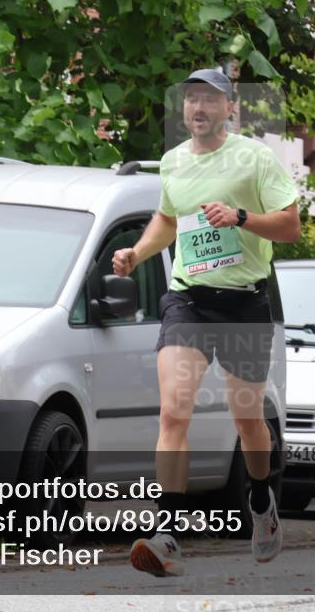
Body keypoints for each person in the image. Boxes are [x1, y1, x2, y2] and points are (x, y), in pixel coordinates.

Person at [113, 69, 301, 576]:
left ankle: (261, 500)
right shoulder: (173, 162)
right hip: (188, 301)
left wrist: (241, 218)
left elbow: (291, 225)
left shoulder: (256, 158)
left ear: (228, 109)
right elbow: (168, 220)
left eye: (209, 100)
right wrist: (138, 251)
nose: (198, 107)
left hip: (244, 302)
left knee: (248, 419)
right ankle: (168, 533)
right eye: (191, 99)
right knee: (174, 412)